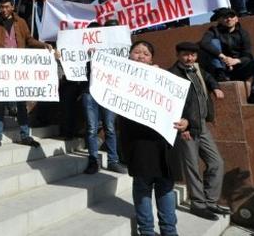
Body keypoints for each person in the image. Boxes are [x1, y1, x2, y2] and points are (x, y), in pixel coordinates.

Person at [118, 40, 187, 236]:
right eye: (136, 52)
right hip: (138, 141)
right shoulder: (119, 77)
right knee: (142, 185)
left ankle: (169, 230)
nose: (140, 56)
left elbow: (182, 103)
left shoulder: (165, 77)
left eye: (145, 53)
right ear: (129, 56)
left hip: (163, 142)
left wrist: (186, 121)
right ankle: (146, 230)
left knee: (165, 186)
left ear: (152, 59)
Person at [170, 42, 230, 221]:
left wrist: (216, 87)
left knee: (217, 162)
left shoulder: (197, 69)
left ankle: (210, 201)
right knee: (192, 167)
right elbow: (172, 102)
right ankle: (198, 204)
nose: (190, 58)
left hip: (201, 125)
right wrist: (182, 127)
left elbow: (208, 77)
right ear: (178, 55)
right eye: (186, 55)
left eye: (193, 55)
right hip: (186, 128)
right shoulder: (172, 74)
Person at [0, 0, 53, 149]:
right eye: (2, 7)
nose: (4, 10)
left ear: (13, 7)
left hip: (18, 68)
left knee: (21, 103)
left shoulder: (21, 22)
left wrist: (43, 45)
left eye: (7, 6)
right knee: (0, 102)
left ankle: (25, 135)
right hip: (1, 68)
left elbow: (29, 40)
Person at [199, 8, 254, 105]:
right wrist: (222, 57)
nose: (229, 19)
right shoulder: (213, 30)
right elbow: (204, 43)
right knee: (213, 42)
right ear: (220, 20)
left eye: (231, 16)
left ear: (236, 19)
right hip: (221, 70)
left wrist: (236, 61)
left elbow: (248, 55)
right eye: (225, 17)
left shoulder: (243, 33)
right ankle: (220, 74)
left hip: (239, 70)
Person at [80, 23, 126, 174]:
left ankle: (113, 161)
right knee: (91, 128)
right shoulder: (81, 50)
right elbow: (72, 65)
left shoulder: (114, 48)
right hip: (89, 92)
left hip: (108, 91)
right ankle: (93, 160)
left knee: (110, 127)